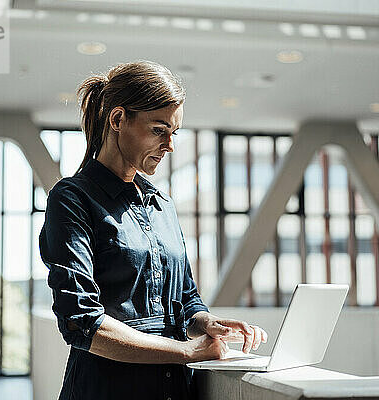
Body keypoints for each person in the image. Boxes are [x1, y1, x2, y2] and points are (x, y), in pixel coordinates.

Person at [39, 60, 267, 400]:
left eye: (174, 133)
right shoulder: (72, 199)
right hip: (105, 390)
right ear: (118, 120)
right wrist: (189, 352)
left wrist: (208, 324)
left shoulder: (162, 204)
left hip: (173, 389)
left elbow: (186, 297)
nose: (170, 145)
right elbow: (81, 322)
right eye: (159, 130)